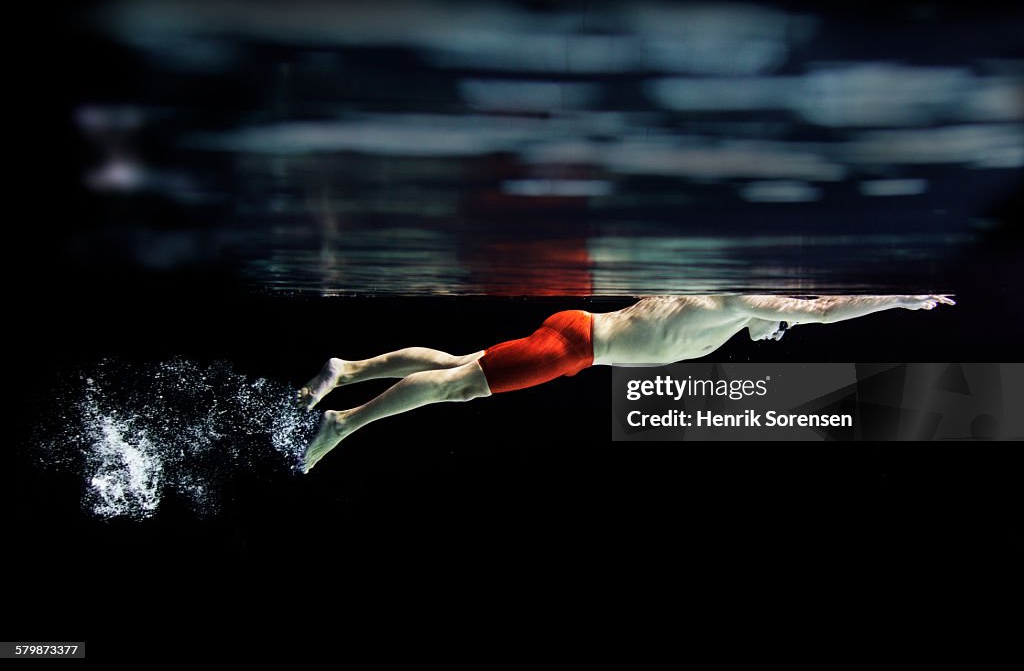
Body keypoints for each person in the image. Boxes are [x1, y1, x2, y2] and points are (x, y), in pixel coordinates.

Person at [299, 294, 954, 471]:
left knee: (454, 364)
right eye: (777, 317)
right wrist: (897, 299)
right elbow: (822, 311)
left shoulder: (731, 316)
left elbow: (789, 321)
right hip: (577, 347)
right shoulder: (736, 300)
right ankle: (343, 423)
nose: (780, 325)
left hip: (576, 336)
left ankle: (347, 371)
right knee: (457, 386)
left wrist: (776, 327)